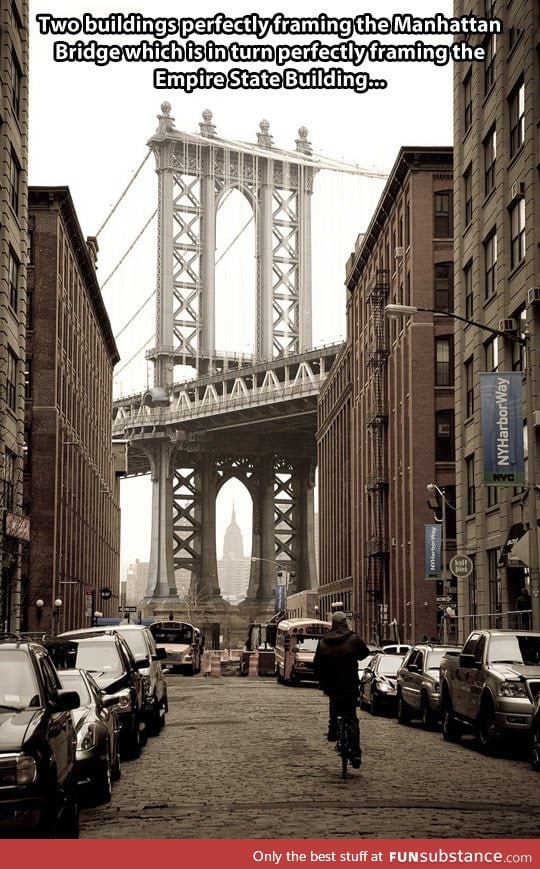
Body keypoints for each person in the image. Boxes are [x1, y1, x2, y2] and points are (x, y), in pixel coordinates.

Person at [313, 611, 370, 769]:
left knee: (334, 704)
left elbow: (317, 664)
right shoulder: (353, 639)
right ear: (345, 622)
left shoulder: (324, 641)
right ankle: (356, 754)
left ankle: (333, 729)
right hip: (350, 685)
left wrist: (321, 681)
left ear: (333, 623)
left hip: (332, 685)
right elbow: (365, 653)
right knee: (351, 717)